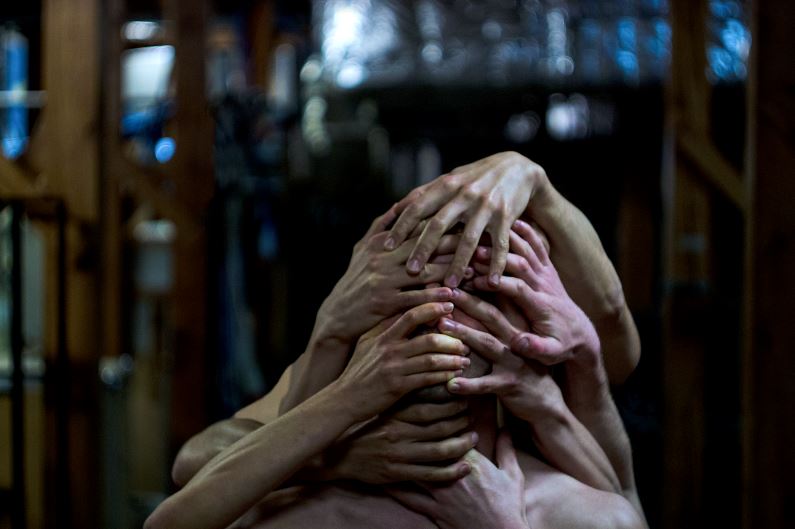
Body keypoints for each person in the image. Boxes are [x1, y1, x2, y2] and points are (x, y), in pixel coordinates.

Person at [148, 152, 645, 528]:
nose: (443, 313)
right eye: (419, 287)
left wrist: (533, 180)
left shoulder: (569, 480)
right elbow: (193, 464)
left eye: (472, 286)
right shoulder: (348, 382)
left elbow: (613, 332)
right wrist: (336, 451)